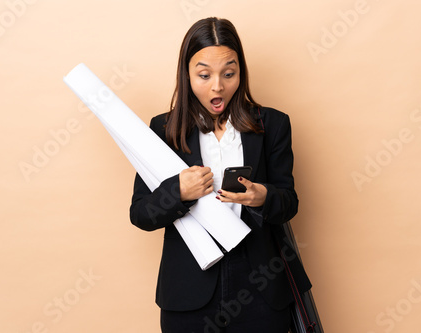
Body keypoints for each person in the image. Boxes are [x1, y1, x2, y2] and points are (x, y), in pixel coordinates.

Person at [130, 17, 311, 333]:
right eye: (204, 75)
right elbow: (141, 214)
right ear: (187, 74)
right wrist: (179, 192)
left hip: (261, 287)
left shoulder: (273, 125)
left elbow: (289, 202)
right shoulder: (162, 129)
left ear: (241, 71)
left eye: (229, 73)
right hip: (190, 289)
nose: (218, 86)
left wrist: (262, 196)